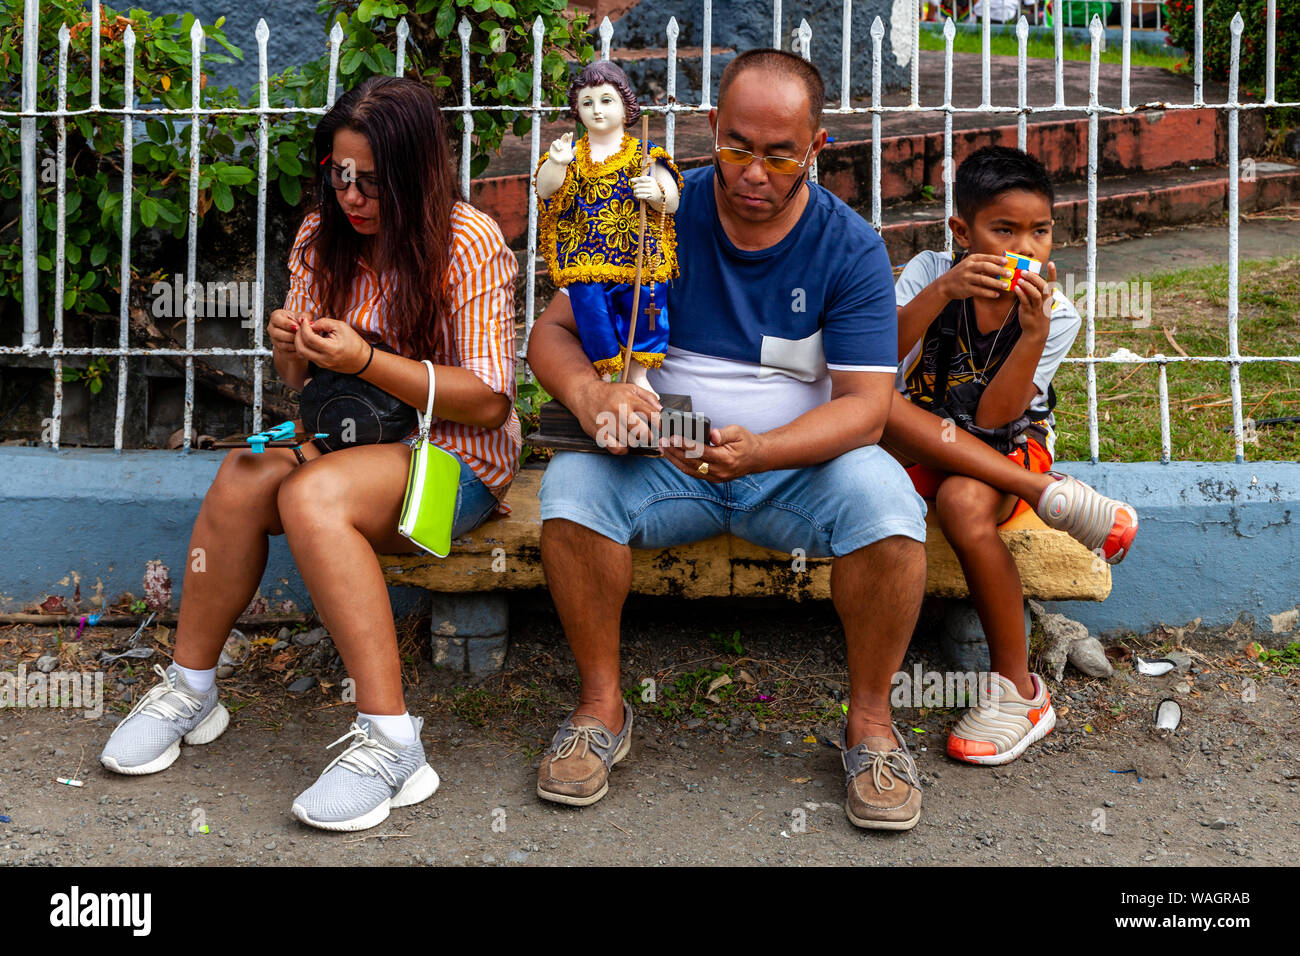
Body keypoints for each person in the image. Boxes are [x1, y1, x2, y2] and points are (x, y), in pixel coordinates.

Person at [98, 76, 521, 832]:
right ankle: (192, 690)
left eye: (372, 181)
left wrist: (364, 360)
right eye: (340, 174)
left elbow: (489, 399)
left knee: (311, 495)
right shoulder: (318, 236)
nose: (353, 197)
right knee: (242, 476)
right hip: (348, 439)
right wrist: (289, 347)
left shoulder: (466, 241)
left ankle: (392, 741)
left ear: (419, 170)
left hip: (449, 462)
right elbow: (299, 382)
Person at [527, 49, 932, 831]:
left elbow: (865, 410)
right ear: (710, 128)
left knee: (887, 506)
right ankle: (600, 709)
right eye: (738, 146)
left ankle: (873, 727)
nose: (754, 172)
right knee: (571, 495)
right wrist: (594, 394)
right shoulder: (651, 207)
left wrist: (765, 451)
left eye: (780, 155)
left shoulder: (848, 246)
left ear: (817, 146)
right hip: (660, 457)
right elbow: (552, 334)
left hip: (792, 466)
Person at [882, 145, 1138, 766]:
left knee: (966, 506)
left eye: (1040, 231)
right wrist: (943, 290)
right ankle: (1050, 499)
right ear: (962, 233)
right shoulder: (927, 271)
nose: (1025, 246)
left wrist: (1031, 336)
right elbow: (880, 357)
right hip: (918, 431)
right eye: (1004, 230)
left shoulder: (1058, 313)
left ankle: (1019, 692)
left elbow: (998, 418)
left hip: (1006, 444)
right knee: (875, 406)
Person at [534, 60, 683, 394]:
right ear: (577, 109)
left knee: (644, 316)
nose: (597, 110)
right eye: (587, 103)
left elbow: (671, 200)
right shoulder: (570, 154)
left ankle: (638, 377)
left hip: (637, 259)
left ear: (624, 104)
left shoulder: (645, 154)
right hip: (587, 259)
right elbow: (546, 190)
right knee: (593, 319)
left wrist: (655, 193)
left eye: (606, 100)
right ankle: (601, 379)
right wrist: (557, 164)